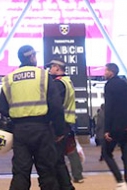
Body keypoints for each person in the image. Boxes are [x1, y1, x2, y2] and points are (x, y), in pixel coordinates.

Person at [0, 45, 66, 190]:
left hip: (20, 130)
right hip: (42, 129)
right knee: (47, 171)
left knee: (20, 173)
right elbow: (56, 106)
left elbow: (2, 108)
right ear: (31, 57)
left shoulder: (8, 79)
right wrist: (60, 131)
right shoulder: (43, 75)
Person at [47, 57, 82, 188]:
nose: (49, 70)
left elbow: (55, 106)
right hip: (67, 124)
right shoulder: (67, 81)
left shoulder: (58, 83)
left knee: (56, 160)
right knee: (61, 158)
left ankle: (66, 186)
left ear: (57, 68)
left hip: (59, 126)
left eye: (51, 67)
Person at [102, 63, 127, 190]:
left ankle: (120, 181)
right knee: (126, 154)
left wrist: (107, 129)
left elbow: (109, 108)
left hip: (115, 125)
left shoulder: (109, 85)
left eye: (106, 70)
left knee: (106, 153)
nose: (104, 73)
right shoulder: (125, 83)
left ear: (111, 72)